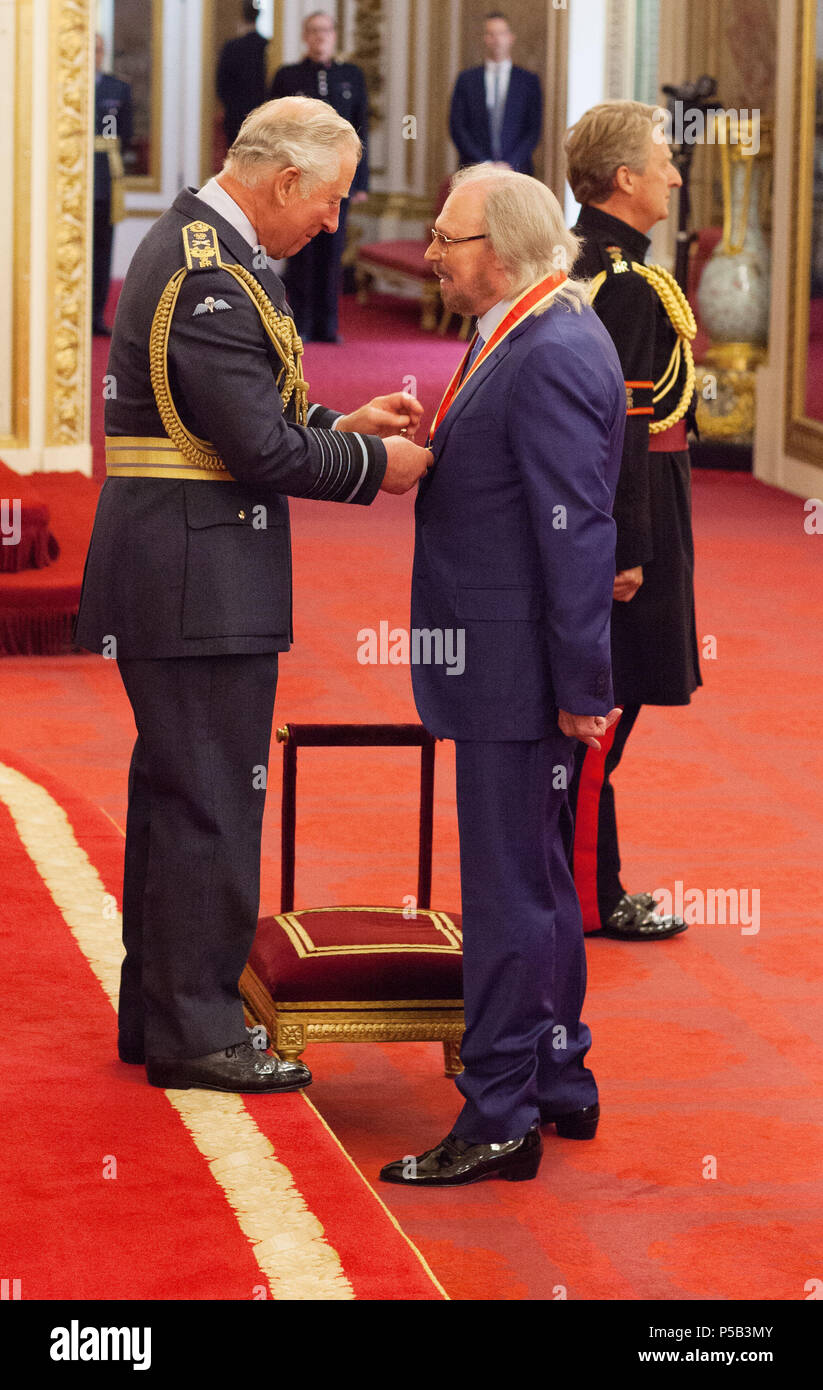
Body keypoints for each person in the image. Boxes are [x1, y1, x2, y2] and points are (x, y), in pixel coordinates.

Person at [74, 97, 432, 1096]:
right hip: (195, 577)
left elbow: (247, 404)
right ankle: (196, 1031)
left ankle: (162, 1010)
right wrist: (377, 462)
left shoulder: (207, 246)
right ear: (282, 184)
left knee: (178, 794)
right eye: (326, 202)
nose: (330, 222)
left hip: (185, 566)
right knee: (211, 805)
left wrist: (340, 417)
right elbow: (260, 447)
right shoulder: (210, 274)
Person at [379, 167, 625, 1187]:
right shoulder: (514, 328)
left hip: (518, 673)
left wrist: (581, 686)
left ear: (508, 247)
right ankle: (558, 1074)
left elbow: (578, 537)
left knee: (507, 890)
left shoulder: (552, 348)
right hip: (499, 659)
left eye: (448, 237)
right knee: (538, 877)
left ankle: (496, 1113)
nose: (430, 251)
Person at [564, 100, 701, 942]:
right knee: (597, 725)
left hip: (625, 506)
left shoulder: (583, 260)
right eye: (662, 160)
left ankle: (592, 880)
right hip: (629, 513)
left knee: (599, 720)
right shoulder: (624, 282)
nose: (675, 175)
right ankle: (587, 893)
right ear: (625, 179)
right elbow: (619, 423)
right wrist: (629, 546)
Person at [269, 11, 368, 342]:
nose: (319, 37)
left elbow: (360, 129)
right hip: (299, 180)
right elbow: (274, 130)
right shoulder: (287, 77)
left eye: (325, 31)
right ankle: (300, 323)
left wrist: (360, 182)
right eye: (313, 31)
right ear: (304, 36)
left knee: (331, 252)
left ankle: (328, 325)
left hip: (338, 183)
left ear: (335, 35)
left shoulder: (351, 76)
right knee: (302, 252)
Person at [449, 11, 542, 175]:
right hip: (475, 170)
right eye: (491, 34)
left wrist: (510, 163)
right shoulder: (467, 80)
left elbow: (533, 130)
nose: (497, 40)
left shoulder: (528, 81)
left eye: (501, 33)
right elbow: (457, 127)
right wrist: (485, 164)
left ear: (511, 37)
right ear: (485, 38)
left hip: (517, 171)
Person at [93, 33, 133, 336]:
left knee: (102, 249)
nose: (94, 55)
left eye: (98, 50)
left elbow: (126, 134)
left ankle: (95, 314)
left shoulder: (117, 88)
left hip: (106, 178)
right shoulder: (62, 86)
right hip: (67, 178)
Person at [216, 0, 270, 149]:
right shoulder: (266, 46)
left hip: (236, 117)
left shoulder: (232, 47)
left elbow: (221, 86)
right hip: (263, 116)